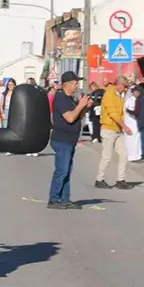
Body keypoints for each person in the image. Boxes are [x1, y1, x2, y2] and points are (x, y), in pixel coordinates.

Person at [48, 71, 91, 210]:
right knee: (61, 170)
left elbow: (78, 116)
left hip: (70, 140)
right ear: (68, 84)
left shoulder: (70, 98)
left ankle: (65, 199)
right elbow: (70, 118)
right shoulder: (60, 98)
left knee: (67, 170)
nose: (77, 86)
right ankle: (54, 199)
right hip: (62, 139)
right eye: (75, 83)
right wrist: (80, 105)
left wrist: (85, 107)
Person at [95, 75, 134, 190]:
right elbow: (113, 114)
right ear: (120, 84)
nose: (126, 89)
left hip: (117, 130)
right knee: (106, 156)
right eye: (125, 86)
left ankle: (120, 180)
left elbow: (120, 113)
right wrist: (124, 126)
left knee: (123, 154)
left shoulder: (119, 96)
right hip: (108, 129)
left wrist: (122, 127)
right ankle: (99, 179)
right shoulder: (109, 94)